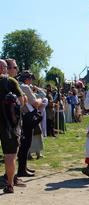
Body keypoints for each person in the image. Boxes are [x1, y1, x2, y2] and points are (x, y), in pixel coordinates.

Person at [0, 59, 26, 193]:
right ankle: (9, 184)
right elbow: (21, 102)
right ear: (4, 68)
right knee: (10, 156)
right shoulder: (10, 81)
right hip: (8, 125)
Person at [17, 71, 43, 177]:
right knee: (25, 144)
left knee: (25, 144)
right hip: (27, 117)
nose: (31, 80)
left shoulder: (20, 86)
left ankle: (23, 167)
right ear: (27, 79)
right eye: (30, 78)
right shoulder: (25, 87)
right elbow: (35, 103)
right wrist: (42, 99)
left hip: (22, 116)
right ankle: (22, 170)